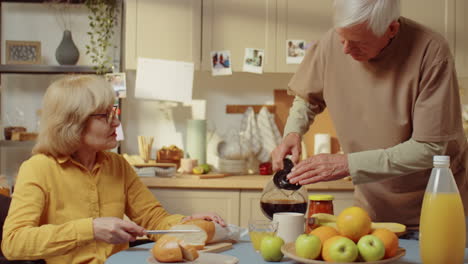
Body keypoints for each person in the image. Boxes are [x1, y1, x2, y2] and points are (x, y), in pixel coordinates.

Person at [272, 0, 468, 232]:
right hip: (370, 211)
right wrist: (293, 132)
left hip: (436, 207)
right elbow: (307, 98)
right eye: (341, 38)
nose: (344, 49)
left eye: (357, 43)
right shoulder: (332, 44)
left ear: (391, 29)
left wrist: (348, 164)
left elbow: (429, 149)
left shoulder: (431, 52)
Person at [1, 75, 226, 264]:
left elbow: (153, 219)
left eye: (114, 113)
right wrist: (91, 229)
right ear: (72, 122)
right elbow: (13, 243)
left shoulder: (117, 164)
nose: (116, 123)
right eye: (104, 116)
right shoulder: (38, 168)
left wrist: (186, 222)